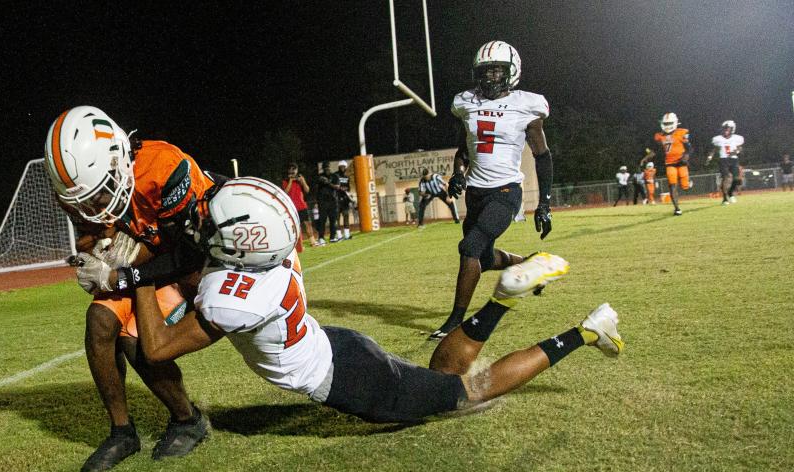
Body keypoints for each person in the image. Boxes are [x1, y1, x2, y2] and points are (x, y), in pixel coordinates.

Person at [112, 177, 625, 426]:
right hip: (339, 347)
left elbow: (156, 349)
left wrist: (137, 272)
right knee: (443, 377)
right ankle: (502, 303)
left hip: (350, 378)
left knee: (471, 391)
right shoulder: (274, 249)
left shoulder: (229, 296)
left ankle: (585, 329)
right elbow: (207, 252)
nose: (202, 225)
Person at [44, 105, 213, 472]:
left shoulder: (167, 170)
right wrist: (97, 256)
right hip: (144, 262)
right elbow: (91, 237)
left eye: (101, 195)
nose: (96, 208)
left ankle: (187, 419)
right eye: (85, 202)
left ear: (119, 158)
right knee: (99, 323)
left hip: (191, 264)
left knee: (139, 344)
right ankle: (122, 432)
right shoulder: (79, 188)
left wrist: (119, 275)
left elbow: (185, 256)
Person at [433, 40, 556, 340]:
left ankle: (456, 322)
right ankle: (530, 263)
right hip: (476, 192)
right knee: (484, 258)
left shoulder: (526, 104)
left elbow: (542, 156)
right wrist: (458, 174)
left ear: (511, 73)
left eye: (497, 71)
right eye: (485, 72)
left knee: (469, 248)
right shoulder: (466, 103)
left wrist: (544, 204)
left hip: (506, 192)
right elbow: (464, 149)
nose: (490, 78)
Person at [642, 113, 692, 216]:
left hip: (681, 162)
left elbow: (690, 148)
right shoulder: (659, 136)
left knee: (685, 187)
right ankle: (677, 209)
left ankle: (688, 184)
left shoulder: (682, 132)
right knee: (672, 185)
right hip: (670, 163)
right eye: (666, 123)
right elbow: (654, 151)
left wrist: (686, 156)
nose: (668, 125)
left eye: (669, 123)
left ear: (675, 122)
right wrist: (645, 158)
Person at [705, 121, 745, 205]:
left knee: (737, 179)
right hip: (723, 160)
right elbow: (713, 149)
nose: (726, 130)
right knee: (726, 178)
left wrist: (736, 152)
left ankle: (730, 193)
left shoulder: (737, 138)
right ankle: (724, 198)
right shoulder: (718, 139)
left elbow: (740, 149)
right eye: (725, 129)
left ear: (732, 129)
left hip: (733, 159)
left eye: (728, 129)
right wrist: (709, 158)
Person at [281, 162, 316, 249]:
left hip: (302, 206)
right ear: (288, 170)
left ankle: (313, 243)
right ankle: (298, 245)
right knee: (296, 227)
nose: (293, 171)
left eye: (294, 169)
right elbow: (285, 193)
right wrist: (290, 181)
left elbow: (307, 190)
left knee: (308, 224)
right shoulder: (285, 181)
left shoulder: (300, 179)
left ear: (297, 170)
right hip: (292, 208)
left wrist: (303, 181)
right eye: (291, 169)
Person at [314, 161, 340, 245]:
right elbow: (316, 189)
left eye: (327, 167)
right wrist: (316, 201)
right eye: (325, 168)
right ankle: (321, 238)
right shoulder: (319, 177)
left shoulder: (335, 176)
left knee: (333, 220)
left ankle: (332, 237)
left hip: (333, 201)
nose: (326, 169)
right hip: (322, 202)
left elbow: (337, 187)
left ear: (330, 167)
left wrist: (328, 183)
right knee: (322, 220)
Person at [335, 160, 354, 240]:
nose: (342, 168)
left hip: (345, 200)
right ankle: (339, 235)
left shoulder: (346, 177)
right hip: (337, 199)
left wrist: (346, 189)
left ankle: (346, 234)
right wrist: (339, 188)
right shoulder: (335, 175)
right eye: (341, 166)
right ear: (339, 167)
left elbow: (348, 188)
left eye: (344, 167)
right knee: (337, 218)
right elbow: (334, 186)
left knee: (346, 216)